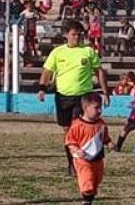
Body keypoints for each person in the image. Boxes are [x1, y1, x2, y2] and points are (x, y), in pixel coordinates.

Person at [37, 20, 110, 176]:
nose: (76, 37)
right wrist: (42, 88)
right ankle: (72, 163)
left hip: (83, 96)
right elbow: (47, 71)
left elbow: (99, 72)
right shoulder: (57, 53)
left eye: (79, 34)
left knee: (77, 127)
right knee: (67, 131)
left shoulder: (88, 51)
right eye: (73, 34)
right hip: (63, 96)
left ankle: (82, 163)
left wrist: (105, 92)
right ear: (66, 35)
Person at [65, 92, 113, 205]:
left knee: (95, 183)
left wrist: (109, 143)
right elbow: (70, 141)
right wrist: (75, 149)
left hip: (98, 159)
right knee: (88, 184)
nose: (99, 110)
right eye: (96, 107)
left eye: (100, 107)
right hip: (83, 160)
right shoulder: (77, 125)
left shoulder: (101, 124)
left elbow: (104, 137)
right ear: (86, 108)